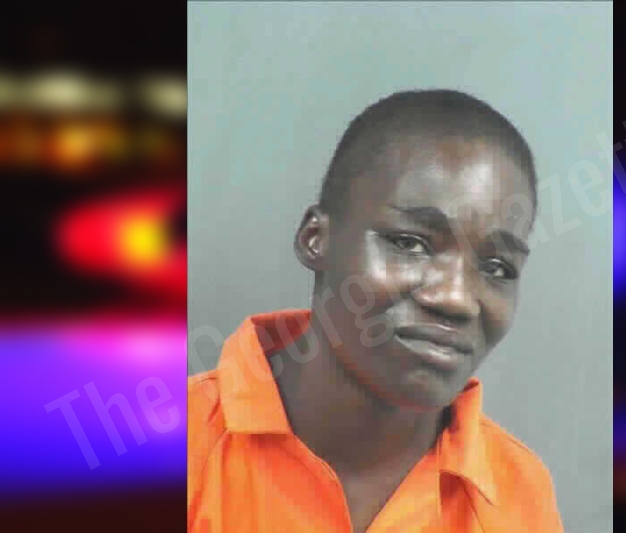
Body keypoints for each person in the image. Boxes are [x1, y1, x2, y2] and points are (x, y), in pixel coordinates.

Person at [188, 89, 564, 532]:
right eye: (410, 243)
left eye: (497, 267)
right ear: (315, 239)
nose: (456, 298)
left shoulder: (518, 495)